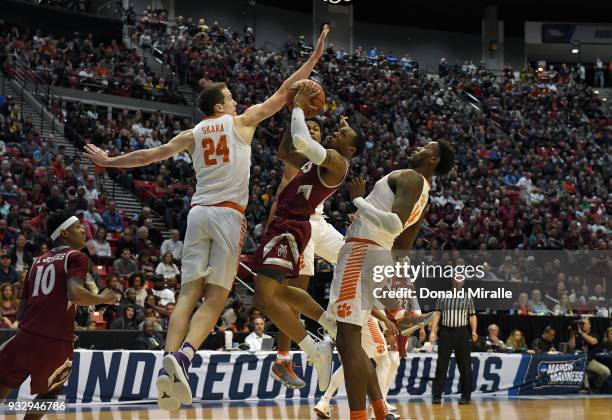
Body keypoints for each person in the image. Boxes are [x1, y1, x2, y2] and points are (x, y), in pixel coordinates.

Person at [84, 24, 331, 411]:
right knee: (216, 297)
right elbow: (285, 93)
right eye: (230, 98)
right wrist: (313, 59)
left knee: (187, 294)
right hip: (228, 217)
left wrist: (110, 161)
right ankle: (183, 358)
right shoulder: (242, 122)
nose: (235, 102)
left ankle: (168, 372)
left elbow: (150, 155)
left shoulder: (193, 132)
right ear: (220, 106)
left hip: (197, 214)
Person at [329, 140, 454, 419]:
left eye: (425, 146)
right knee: (352, 341)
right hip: (376, 253)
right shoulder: (425, 195)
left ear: (433, 157)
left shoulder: (410, 177)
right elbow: (403, 245)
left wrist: (359, 201)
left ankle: (359, 415)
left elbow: (395, 224)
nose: (417, 147)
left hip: (361, 251)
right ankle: (397, 314)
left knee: (347, 341)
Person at [252, 85, 365, 393]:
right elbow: (287, 149)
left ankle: (314, 349)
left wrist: (300, 106)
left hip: (295, 225)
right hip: (287, 224)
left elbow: (302, 139)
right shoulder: (317, 159)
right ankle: (328, 324)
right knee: (281, 293)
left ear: (350, 150)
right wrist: (293, 112)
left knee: (266, 298)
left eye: (342, 135)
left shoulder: (336, 162)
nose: (333, 133)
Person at [0, 211, 116, 414]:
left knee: (3, 383)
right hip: (54, 343)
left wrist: (58, 325)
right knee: (51, 391)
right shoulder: (77, 257)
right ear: (64, 233)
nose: (83, 229)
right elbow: (75, 293)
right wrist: (103, 298)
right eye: (78, 226)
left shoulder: (37, 261)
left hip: (26, 336)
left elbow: (21, 312)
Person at [267, 117, 345, 390]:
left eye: (317, 129)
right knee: (295, 292)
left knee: (357, 257)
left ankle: (396, 311)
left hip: (319, 221)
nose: (312, 131)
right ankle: (283, 359)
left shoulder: (323, 160)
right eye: (307, 128)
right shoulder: (297, 156)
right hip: (299, 224)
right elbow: (280, 191)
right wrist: (295, 112)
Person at [430, 278, 477, 405]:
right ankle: (437, 395)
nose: (458, 281)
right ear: (452, 280)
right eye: (456, 278)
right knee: (442, 364)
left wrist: (473, 331)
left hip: (462, 332)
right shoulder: (443, 296)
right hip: (446, 332)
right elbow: (437, 315)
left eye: (460, 279)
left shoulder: (467, 297)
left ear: (463, 282)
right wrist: (433, 331)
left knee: (465, 365)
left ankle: (466, 395)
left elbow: (472, 315)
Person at [569, 318, 610, 391]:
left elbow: (593, 342)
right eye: (581, 324)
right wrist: (572, 335)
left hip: (590, 361)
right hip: (579, 362)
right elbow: (571, 346)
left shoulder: (594, 333)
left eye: (584, 323)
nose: (582, 325)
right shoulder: (577, 334)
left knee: (606, 372)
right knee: (582, 370)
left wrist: (581, 333)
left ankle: (596, 386)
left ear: (589, 325)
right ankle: (586, 389)